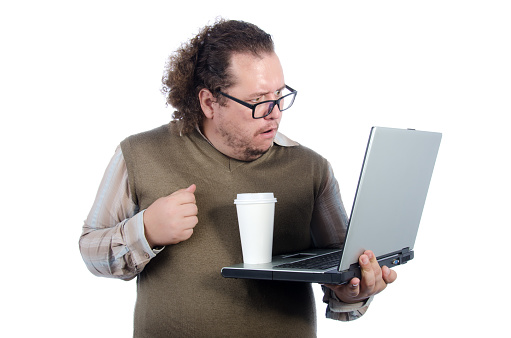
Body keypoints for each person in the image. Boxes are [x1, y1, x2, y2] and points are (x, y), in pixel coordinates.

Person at [79, 19, 397, 337]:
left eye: (279, 94)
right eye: (258, 101)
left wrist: (354, 292)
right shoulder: (140, 153)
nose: (275, 112)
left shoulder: (312, 169)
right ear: (209, 102)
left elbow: (344, 275)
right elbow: (91, 252)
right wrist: (146, 230)